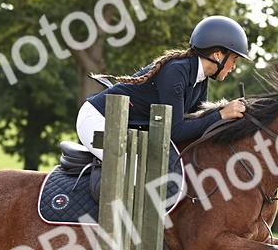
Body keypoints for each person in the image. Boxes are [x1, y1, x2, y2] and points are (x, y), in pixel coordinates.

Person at [76, 16, 249, 159]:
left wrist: (232, 118)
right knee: (135, 172)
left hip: (123, 126)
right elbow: (175, 131)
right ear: (218, 55)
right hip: (98, 119)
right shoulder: (176, 72)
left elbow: (196, 122)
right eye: (234, 59)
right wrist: (222, 114)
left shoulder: (201, 80)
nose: (233, 66)